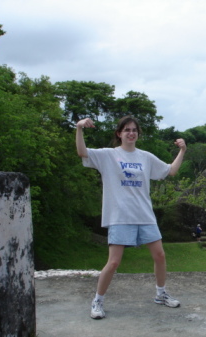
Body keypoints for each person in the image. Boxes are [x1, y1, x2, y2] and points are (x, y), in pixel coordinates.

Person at [76, 116, 187, 320]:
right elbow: (82, 152)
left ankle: (161, 294)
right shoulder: (108, 155)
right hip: (120, 215)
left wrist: (182, 151)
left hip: (144, 214)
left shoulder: (145, 157)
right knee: (114, 262)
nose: (131, 133)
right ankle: (98, 300)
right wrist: (79, 128)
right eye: (126, 130)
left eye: (134, 130)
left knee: (160, 256)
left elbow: (170, 171)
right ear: (119, 134)